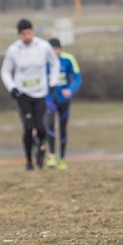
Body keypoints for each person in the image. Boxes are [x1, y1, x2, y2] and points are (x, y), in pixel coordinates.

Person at [0, 18, 61, 171]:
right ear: (19, 35)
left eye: (29, 33)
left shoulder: (43, 46)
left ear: (33, 32)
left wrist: (53, 83)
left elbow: (55, 63)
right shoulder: (13, 50)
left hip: (40, 93)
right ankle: (29, 161)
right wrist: (12, 87)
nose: (27, 36)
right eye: (23, 34)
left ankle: (40, 153)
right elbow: (5, 71)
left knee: (41, 128)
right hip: (23, 94)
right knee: (28, 128)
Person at [44, 38, 82, 170]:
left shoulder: (68, 59)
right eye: (52, 49)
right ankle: (52, 156)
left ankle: (63, 159)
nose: (55, 51)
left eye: (57, 48)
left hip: (64, 100)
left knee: (63, 128)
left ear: (60, 48)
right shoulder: (44, 61)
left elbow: (78, 78)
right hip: (49, 99)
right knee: (49, 124)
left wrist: (70, 90)